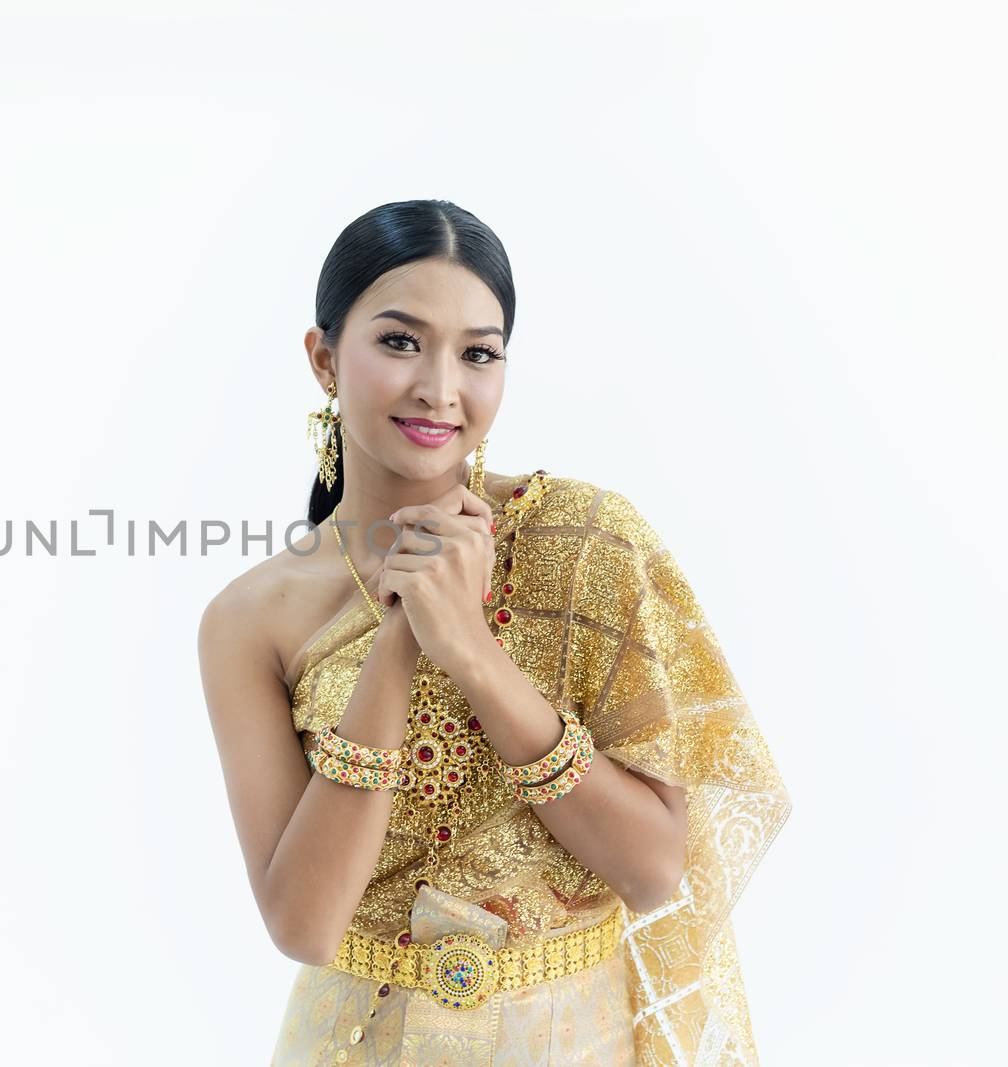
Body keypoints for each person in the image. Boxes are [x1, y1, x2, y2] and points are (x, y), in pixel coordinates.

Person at [197, 199, 791, 1066]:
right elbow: (305, 922)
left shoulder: (588, 544)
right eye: (400, 342)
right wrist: (402, 639)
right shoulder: (251, 617)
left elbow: (656, 868)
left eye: (477, 353)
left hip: (576, 1041)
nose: (440, 388)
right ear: (324, 359)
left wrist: (472, 653)